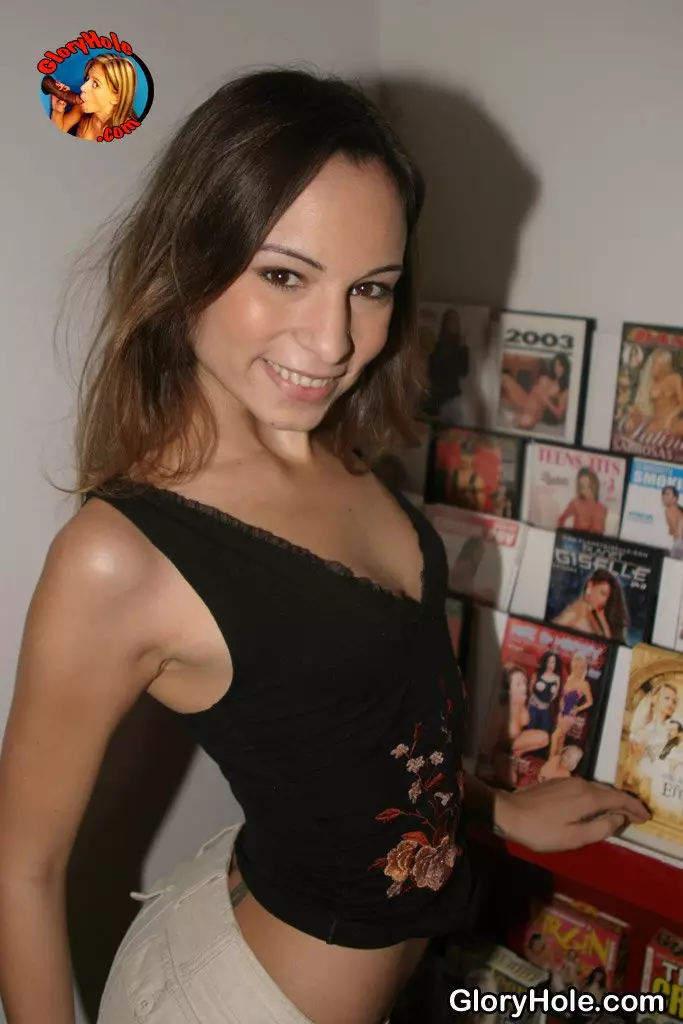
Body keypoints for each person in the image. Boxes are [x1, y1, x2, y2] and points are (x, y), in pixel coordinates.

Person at [0, 68, 649, 1024]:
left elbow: (365, 730)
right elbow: (21, 866)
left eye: (370, 288)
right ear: (187, 261)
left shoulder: (337, 454)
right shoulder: (119, 557)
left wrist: (496, 809)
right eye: (283, 275)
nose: (335, 339)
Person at [49, 54, 138, 140]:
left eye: (96, 84)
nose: (82, 87)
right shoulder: (82, 108)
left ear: (116, 98)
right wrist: (58, 110)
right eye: (88, 78)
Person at [499, 353, 570, 432]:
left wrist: (548, 401)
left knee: (527, 421)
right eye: (555, 365)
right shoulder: (546, 378)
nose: (557, 368)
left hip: (536, 410)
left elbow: (559, 414)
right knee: (504, 378)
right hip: (526, 401)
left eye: (560, 365)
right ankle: (515, 414)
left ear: (565, 368)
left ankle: (514, 417)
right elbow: (533, 390)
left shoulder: (564, 389)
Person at [553, 568, 628, 641]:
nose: (604, 601)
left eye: (608, 598)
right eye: (603, 593)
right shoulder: (577, 612)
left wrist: (603, 621)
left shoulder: (596, 615)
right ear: (590, 585)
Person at [547, 654, 594, 760]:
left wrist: (577, 709)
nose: (579, 669)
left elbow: (590, 702)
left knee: (554, 737)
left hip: (570, 716)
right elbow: (564, 696)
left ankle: (551, 761)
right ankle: (558, 761)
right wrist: (561, 702)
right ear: (573, 666)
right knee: (561, 739)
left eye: (582, 667)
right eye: (577, 666)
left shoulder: (584, 684)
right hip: (562, 713)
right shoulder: (569, 679)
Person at [557, 467, 607, 534]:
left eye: (589, 486)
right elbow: (561, 520)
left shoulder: (601, 508)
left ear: (595, 485)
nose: (587, 491)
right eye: (582, 487)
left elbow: (598, 531)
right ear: (579, 488)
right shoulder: (575, 503)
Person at [661, 486, 683, 558]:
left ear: (674, 499)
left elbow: (681, 523)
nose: (664, 496)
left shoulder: (670, 510)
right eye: (663, 494)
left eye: (667, 494)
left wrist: (679, 542)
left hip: (679, 544)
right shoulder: (675, 510)